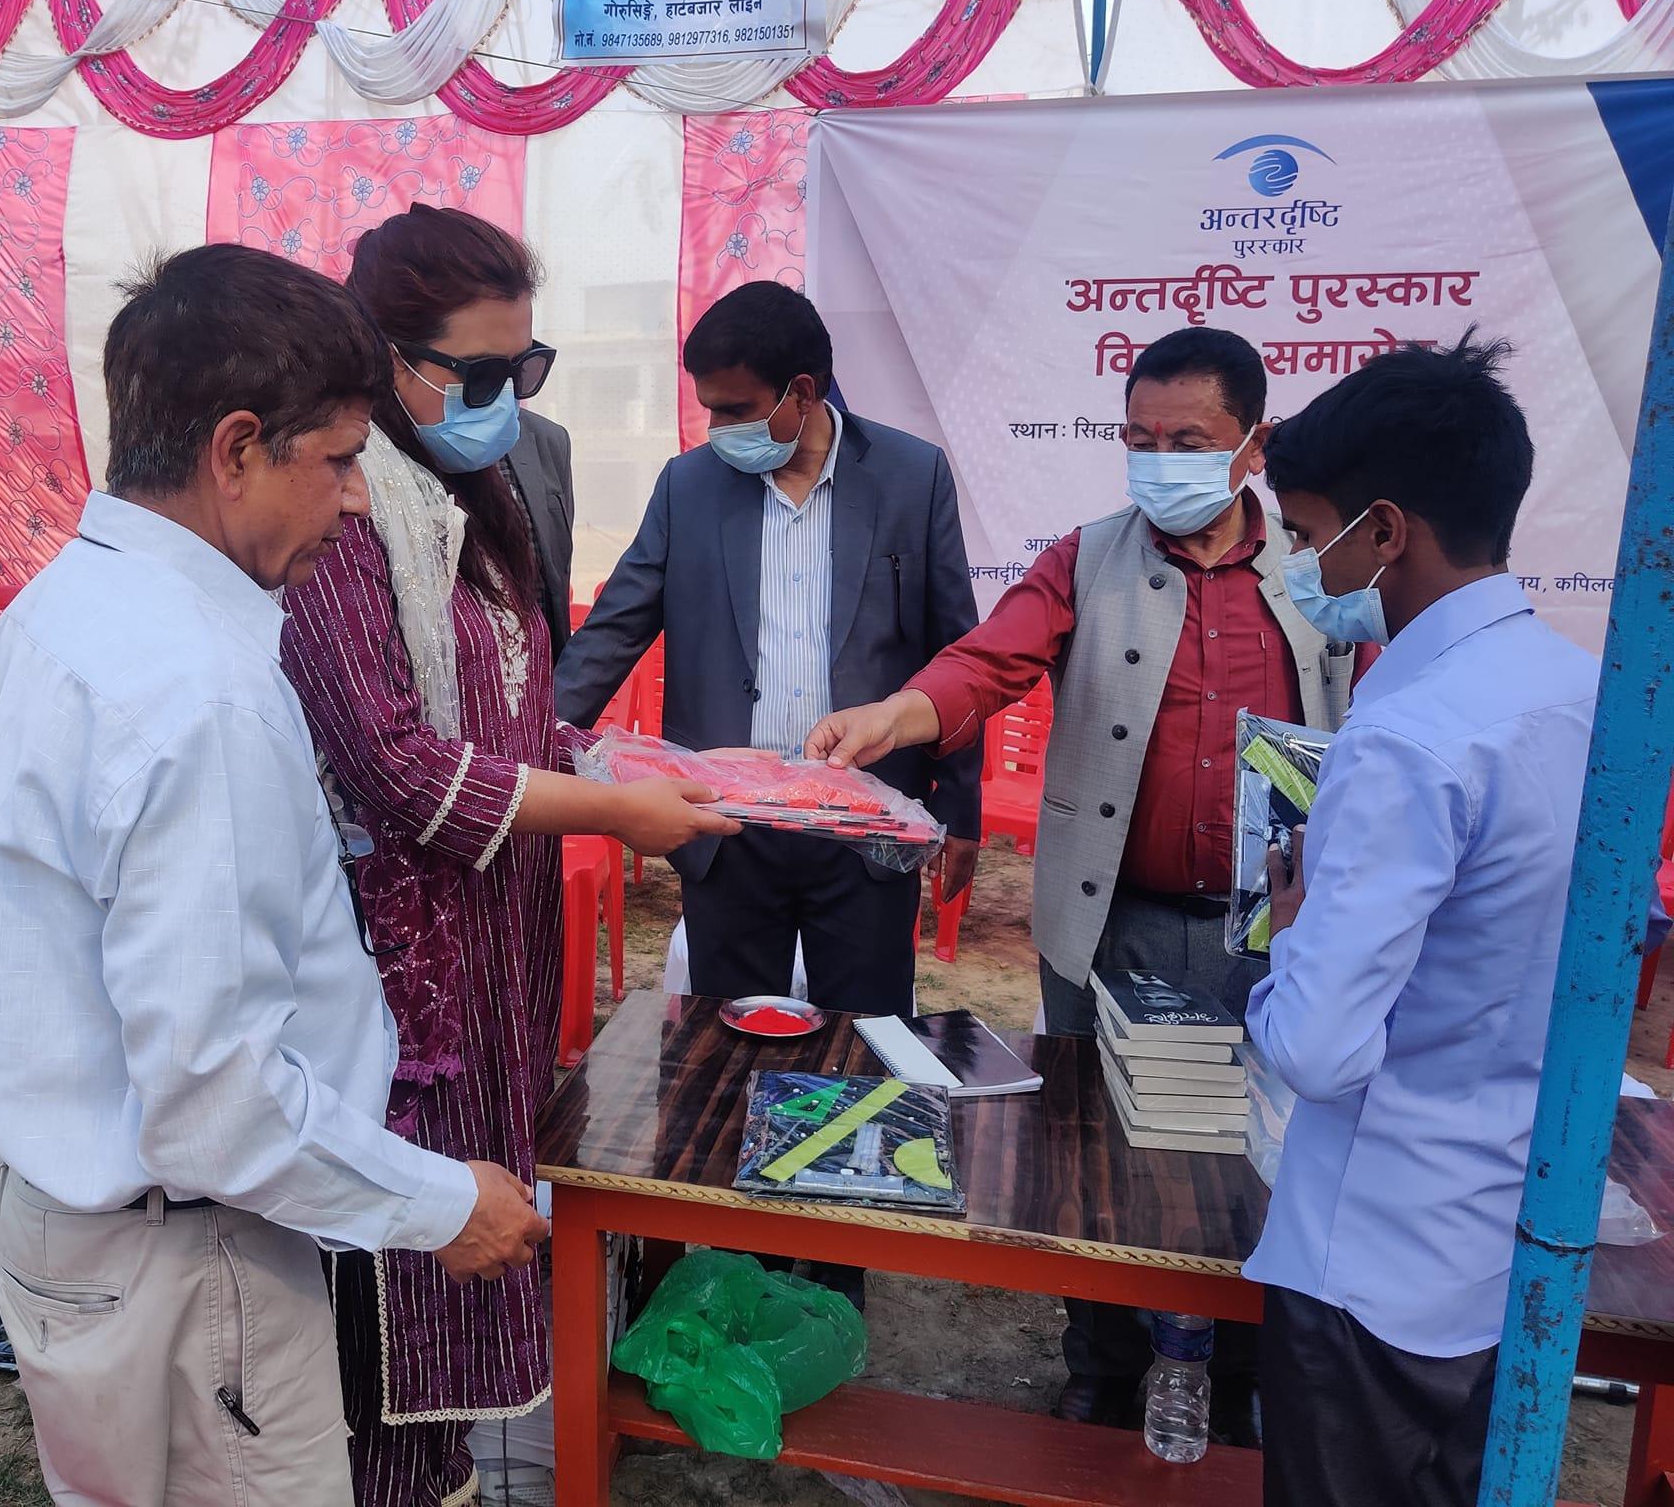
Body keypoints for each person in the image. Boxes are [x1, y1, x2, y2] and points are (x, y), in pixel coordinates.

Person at [0, 244, 550, 1506]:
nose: (352, 502)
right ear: (236, 450)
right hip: (189, 1260)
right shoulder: (197, 696)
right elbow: (216, 1105)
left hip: (79, 1230)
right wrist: (441, 1200)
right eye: (337, 461)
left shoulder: (53, 616)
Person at [805, 326, 1367, 1442]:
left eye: (1188, 440)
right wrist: (893, 716)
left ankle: (1240, 1377)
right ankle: (1100, 1370)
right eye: (1139, 439)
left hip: (1276, 932)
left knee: (1260, 1165)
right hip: (1112, 923)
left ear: (1251, 445)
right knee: (1096, 1163)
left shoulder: (1321, 572)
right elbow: (986, 660)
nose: (1159, 460)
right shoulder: (1087, 556)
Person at [276, 205, 737, 1507]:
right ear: (379, 355)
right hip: (396, 973)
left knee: (477, 1235)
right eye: (473, 376)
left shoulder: (479, 491)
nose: (501, 401)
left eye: (521, 372)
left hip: (494, 954)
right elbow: (397, 765)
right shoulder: (348, 512)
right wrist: (610, 816)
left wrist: (616, 761)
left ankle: (444, 1478)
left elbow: (514, 703)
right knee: (400, 1279)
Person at [1245, 334, 1599, 1507]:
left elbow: (1317, 1047)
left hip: (1374, 1261)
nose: (1301, 565)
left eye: (1303, 536)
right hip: (1510, 1235)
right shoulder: (1575, 689)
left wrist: (1292, 931)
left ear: (1382, 532)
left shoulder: (1408, 739)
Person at [554, 281, 982, 1016]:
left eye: (736, 410)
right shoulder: (689, 486)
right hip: (727, 823)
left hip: (863, 825)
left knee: (862, 1047)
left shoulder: (912, 477)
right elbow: (616, 625)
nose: (718, 428)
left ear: (803, 393)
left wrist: (962, 808)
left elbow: (956, 656)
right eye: (708, 409)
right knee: (723, 1047)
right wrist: (529, 743)